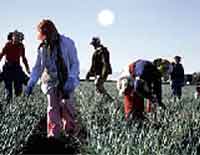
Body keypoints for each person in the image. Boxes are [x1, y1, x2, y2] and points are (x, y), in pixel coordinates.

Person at [25, 19, 80, 138]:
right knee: (52, 109)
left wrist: (71, 78)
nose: (45, 39)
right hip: (49, 80)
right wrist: (31, 83)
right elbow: (38, 67)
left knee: (67, 107)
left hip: (66, 79)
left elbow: (74, 63)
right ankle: (53, 136)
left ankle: (71, 133)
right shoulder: (42, 48)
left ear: (53, 32)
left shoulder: (67, 43)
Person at [0, 30, 30, 103]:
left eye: (19, 37)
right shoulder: (8, 45)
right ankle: (8, 104)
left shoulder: (21, 46)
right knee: (8, 90)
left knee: (19, 89)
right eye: (15, 36)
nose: (17, 38)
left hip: (17, 68)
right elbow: (1, 55)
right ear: (12, 37)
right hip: (8, 68)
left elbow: (23, 58)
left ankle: (18, 103)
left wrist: (27, 69)